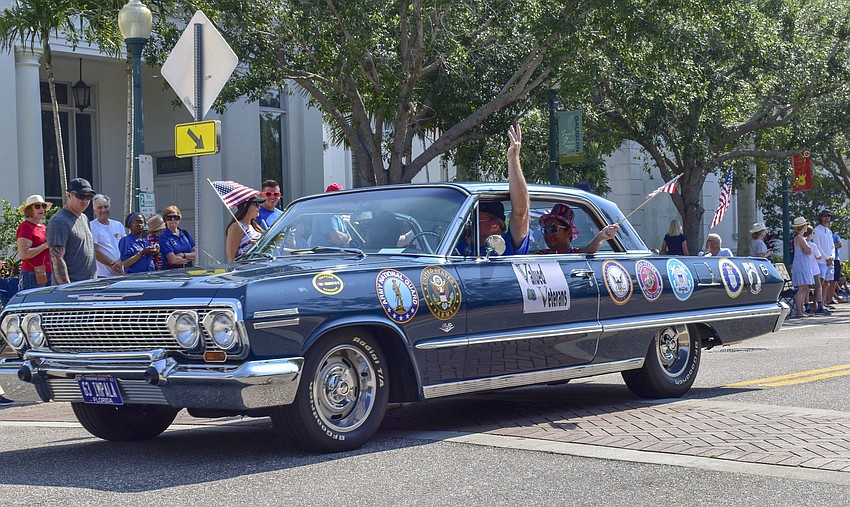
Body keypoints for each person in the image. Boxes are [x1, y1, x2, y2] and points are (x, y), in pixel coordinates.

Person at [459, 124, 531, 256]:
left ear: (495, 225)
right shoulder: (460, 246)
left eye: (477, 221)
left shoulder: (508, 245)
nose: (471, 225)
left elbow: (521, 213)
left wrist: (513, 159)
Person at [47, 178, 97, 284]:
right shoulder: (59, 221)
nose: (85, 200)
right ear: (69, 195)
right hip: (72, 291)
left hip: (88, 287)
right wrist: (67, 289)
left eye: (88, 197)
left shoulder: (84, 218)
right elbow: (57, 258)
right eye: (80, 196)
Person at [535, 203, 619, 254]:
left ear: (568, 232)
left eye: (553, 229)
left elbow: (589, 250)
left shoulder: (575, 254)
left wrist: (600, 237)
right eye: (545, 230)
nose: (548, 235)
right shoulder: (541, 255)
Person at [16, 194, 53, 290]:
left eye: (43, 206)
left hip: (47, 273)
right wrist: (45, 246)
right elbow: (23, 254)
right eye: (37, 206)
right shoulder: (25, 227)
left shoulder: (44, 227)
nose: (41, 209)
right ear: (29, 209)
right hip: (31, 274)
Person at [89, 194, 125, 277]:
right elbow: (95, 251)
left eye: (106, 207)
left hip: (120, 273)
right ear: (94, 210)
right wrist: (113, 266)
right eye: (100, 208)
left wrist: (120, 263)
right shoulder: (92, 226)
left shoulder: (118, 225)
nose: (104, 210)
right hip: (102, 275)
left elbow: (124, 247)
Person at [226, 194, 266, 263]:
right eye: (256, 204)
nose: (259, 207)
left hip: (259, 266)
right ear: (245, 206)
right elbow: (231, 256)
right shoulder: (236, 226)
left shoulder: (254, 226)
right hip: (244, 268)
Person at [812, 210, 836, 314]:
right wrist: (826, 257)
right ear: (821, 217)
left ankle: (824, 302)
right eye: (825, 216)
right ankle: (816, 304)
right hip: (821, 261)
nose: (827, 218)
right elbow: (817, 245)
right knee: (820, 283)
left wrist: (832, 257)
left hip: (829, 261)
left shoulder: (829, 231)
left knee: (827, 283)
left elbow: (832, 246)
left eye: (828, 216)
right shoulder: (817, 230)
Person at [790, 217, 813, 318]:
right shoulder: (799, 238)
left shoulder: (801, 238)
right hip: (801, 264)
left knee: (804, 287)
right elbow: (808, 250)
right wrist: (809, 248)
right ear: (803, 226)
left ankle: (801, 310)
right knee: (801, 287)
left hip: (804, 264)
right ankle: (799, 311)